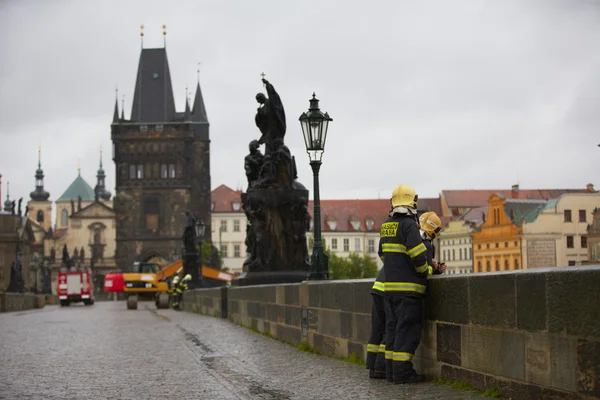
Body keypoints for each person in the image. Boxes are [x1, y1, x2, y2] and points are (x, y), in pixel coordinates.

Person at [380, 184, 430, 384]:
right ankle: (402, 372)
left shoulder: (387, 224)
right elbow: (418, 256)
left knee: (392, 329)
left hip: (389, 290)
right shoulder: (409, 225)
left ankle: (391, 372)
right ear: (412, 202)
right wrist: (426, 271)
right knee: (407, 330)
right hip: (408, 291)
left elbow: (383, 254)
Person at [366, 266, 387, 379]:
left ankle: (372, 367)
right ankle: (380, 367)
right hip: (388, 291)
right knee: (388, 330)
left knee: (377, 330)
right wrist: (432, 267)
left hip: (378, 287)